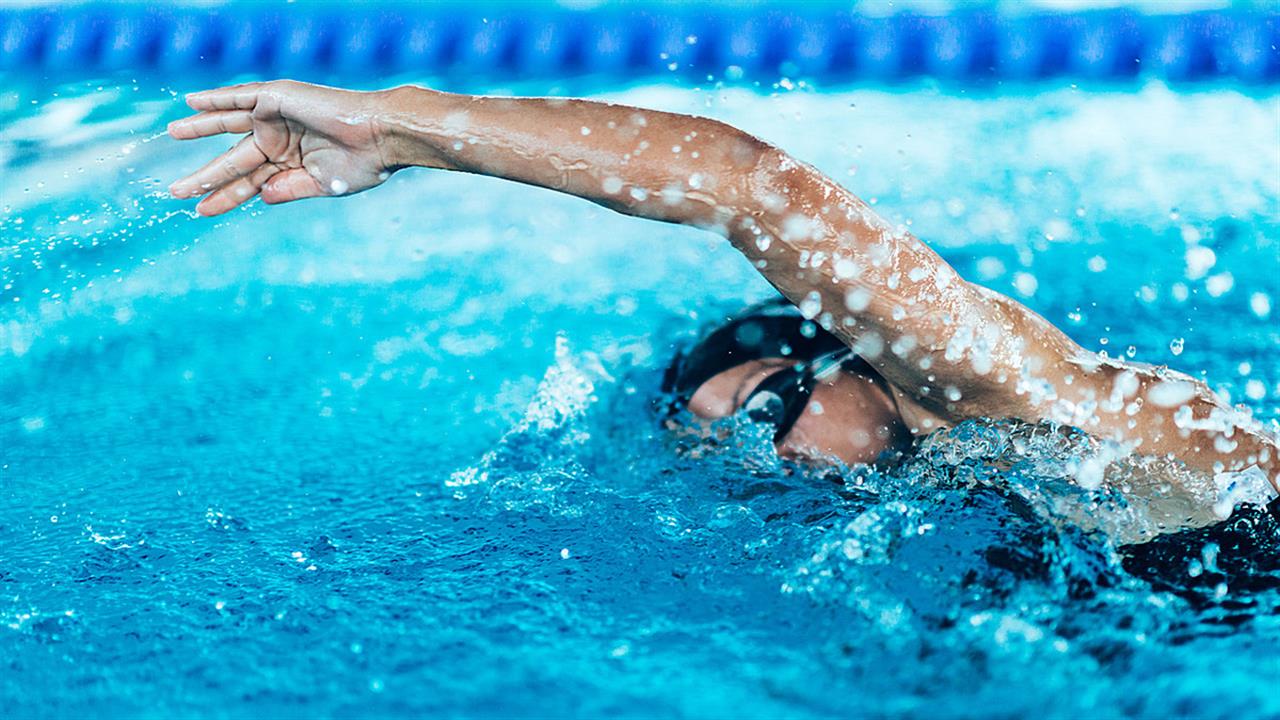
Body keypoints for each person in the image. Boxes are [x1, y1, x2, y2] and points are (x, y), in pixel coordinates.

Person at [167, 80, 1279, 528]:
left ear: (852, 357)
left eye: (762, 409)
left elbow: (745, 185)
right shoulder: (984, 495)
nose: (768, 460)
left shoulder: (978, 384)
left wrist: (407, 127)